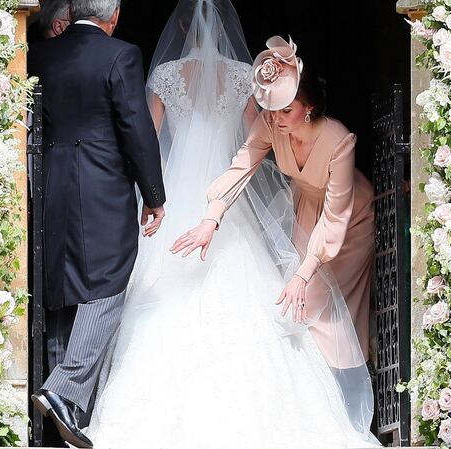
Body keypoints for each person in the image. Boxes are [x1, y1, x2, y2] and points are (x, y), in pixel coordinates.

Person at [86, 1, 380, 448]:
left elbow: (334, 218)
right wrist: (210, 219)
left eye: (284, 111)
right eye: (273, 111)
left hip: (345, 218)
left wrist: (302, 272)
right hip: (299, 206)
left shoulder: (339, 141)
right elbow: (241, 164)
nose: (276, 119)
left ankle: (341, 392)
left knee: (321, 304)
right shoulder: (269, 124)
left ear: (310, 104)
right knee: (291, 303)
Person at [27, 0, 167, 446]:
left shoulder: (39, 54)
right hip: (103, 183)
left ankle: (62, 415)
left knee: (63, 282)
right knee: (111, 276)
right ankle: (63, 391)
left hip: (52, 182)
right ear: (115, 15)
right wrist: (154, 195)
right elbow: (135, 126)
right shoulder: (120, 55)